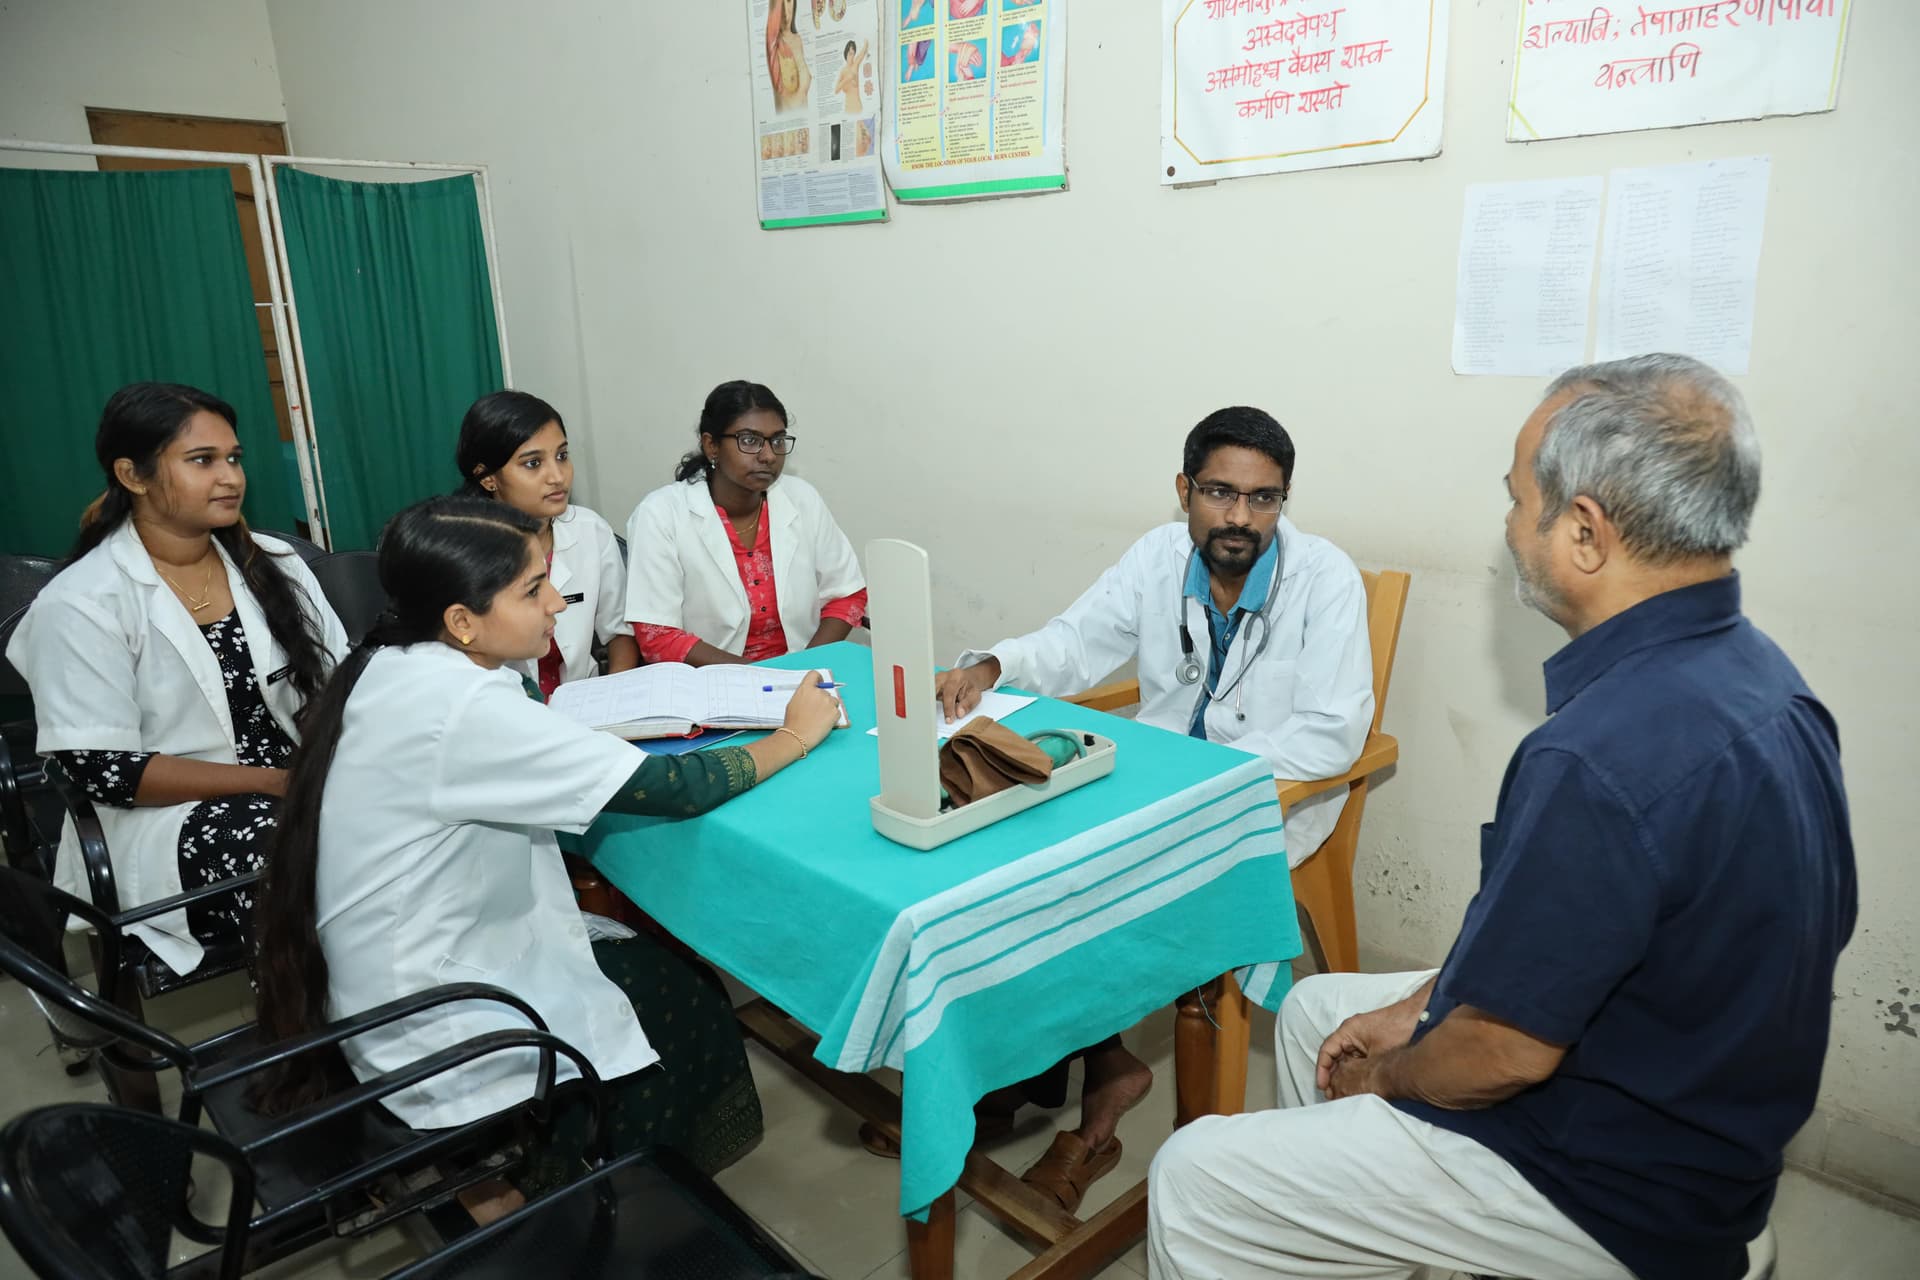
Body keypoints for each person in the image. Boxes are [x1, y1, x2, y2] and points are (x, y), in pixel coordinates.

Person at [1147, 355, 1856, 1280]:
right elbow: (1576, 942)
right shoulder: (1767, 682)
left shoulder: (1598, 753)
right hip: (1699, 1093)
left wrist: (1384, 1075)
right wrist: (1418, 1008)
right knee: (1318, 1008)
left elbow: (1505, 1053)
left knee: (1193, 1172)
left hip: (1609, 1178)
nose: (1511, 525)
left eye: (1519, 500)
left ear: (1585, 533)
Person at [252, 495, 843, 1219]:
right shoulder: (462, 705)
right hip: (438, 1010)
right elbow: (677, 788)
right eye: (533, 589)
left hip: (396, 962)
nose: (558, 603)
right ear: (462, 621)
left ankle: (523, 1178)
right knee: (680, 995)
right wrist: (795, 734)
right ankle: (584, 1191)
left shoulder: (394, 660)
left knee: (651, 967)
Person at [929, 406, 1373, 1211]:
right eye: (1220, 492)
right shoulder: (1158, 557)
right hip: (1154, 786)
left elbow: (1333, 732)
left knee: (1108, 878)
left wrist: (1197, 779)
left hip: (1265, 800)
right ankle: (1068, 1059)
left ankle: (1098, 1120)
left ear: (1283, 500)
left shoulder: (1325, 578)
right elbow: (1076, 642)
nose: (1241, 516)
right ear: (1185, 489)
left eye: (1264, 498)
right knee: (1020, 854)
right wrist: (997, 664)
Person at [6, 383, 347, 976]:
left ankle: (424, 997)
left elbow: (340, 687)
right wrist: (272, 782)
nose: (230, 478)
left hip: (295, 780)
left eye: (234, 458)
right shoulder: (83, 601)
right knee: (286, 848)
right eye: (202, 461)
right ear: (132, 476)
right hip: (173, 817)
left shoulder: (276, 564)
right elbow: (107, 770)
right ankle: (313, 1022)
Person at [624, 381, 866, 666]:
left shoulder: (802, 499)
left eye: (777, 441)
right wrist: (760, 677)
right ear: (711, 445)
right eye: (750, 440)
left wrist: (803, 667)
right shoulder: (660, 514)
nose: (769, 455)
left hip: (803, 672)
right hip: (708, 679)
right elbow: (658, 636)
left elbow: (847, 595)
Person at [457, 389, 636, 695]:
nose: (557, 476)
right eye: (533, 463)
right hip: (498, 707)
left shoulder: (590, 530)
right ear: (487, 477)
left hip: (585, 701)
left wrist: (614, 698)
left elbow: (620, 632)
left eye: (562, 456)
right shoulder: (461, 551)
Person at [835, 39, 870, 114]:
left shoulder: (855, 65)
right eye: (850, 54)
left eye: (853, 54)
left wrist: (866, 41)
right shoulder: (843, 71)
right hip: (847, 110)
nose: (852, 57)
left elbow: (864, 48)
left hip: (857, 108)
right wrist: (847, 79)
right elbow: (836, 90)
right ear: (846, 53)